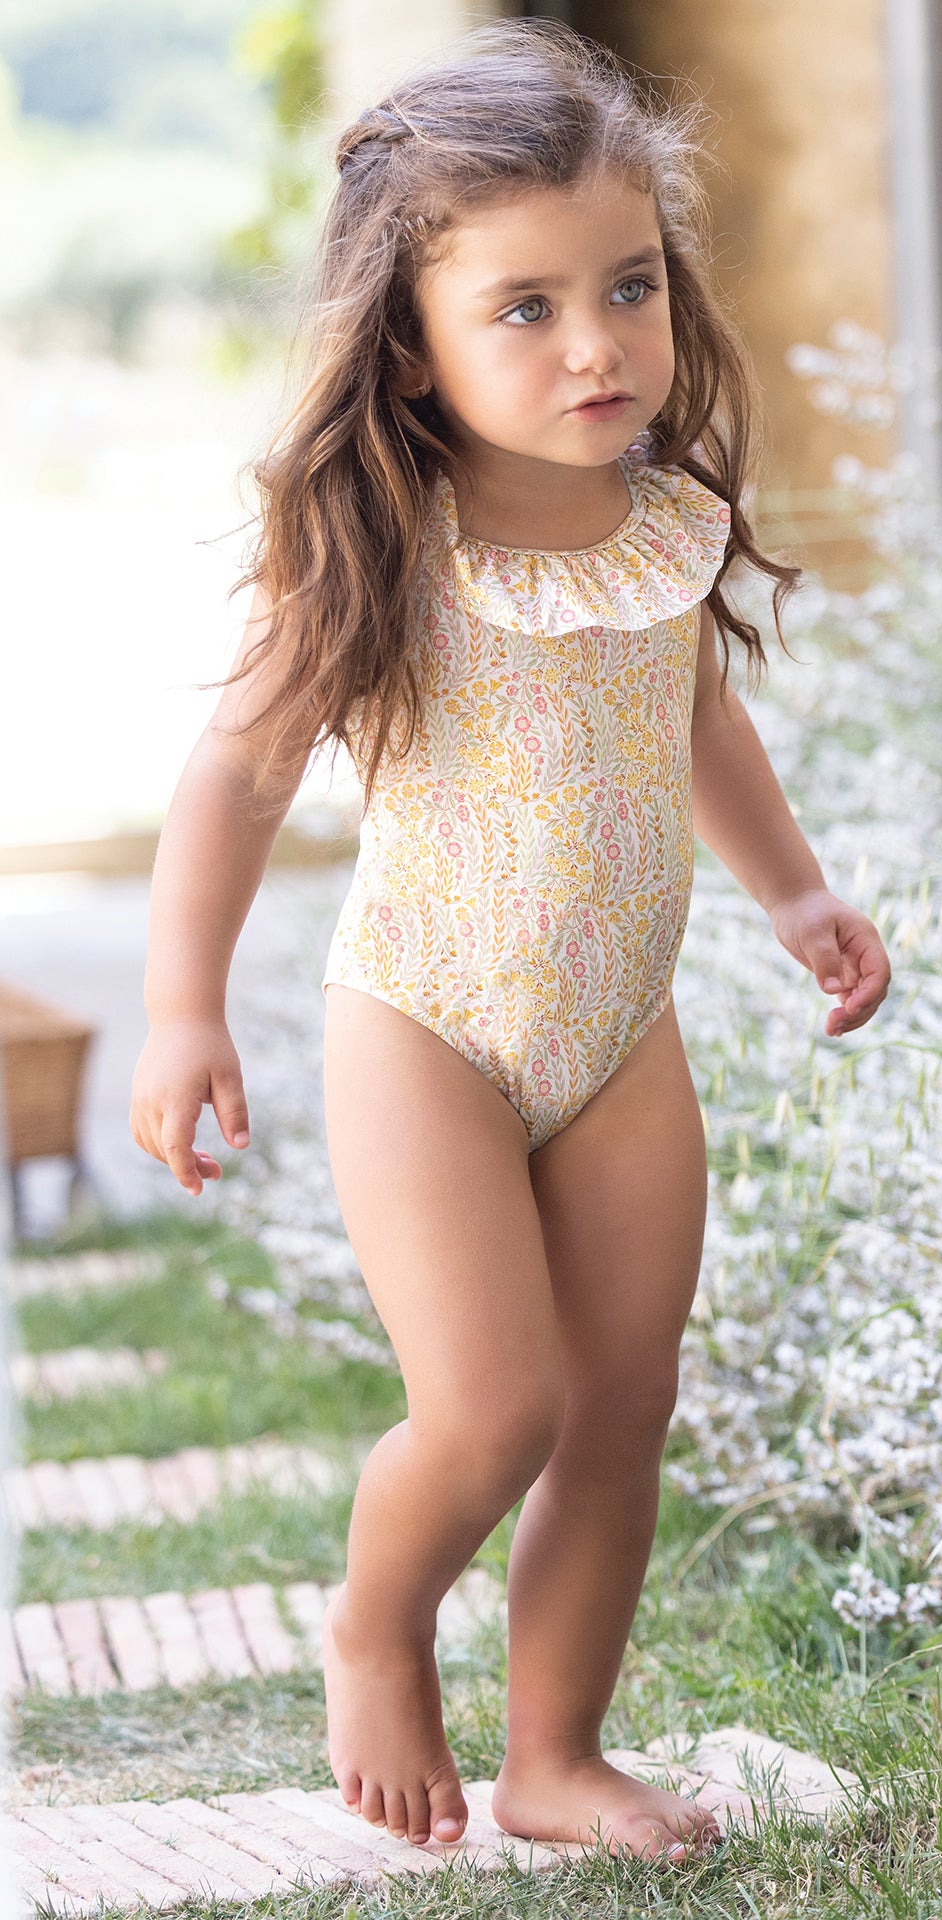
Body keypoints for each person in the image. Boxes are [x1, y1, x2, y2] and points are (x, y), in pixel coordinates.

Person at [130, 18, 890, 1868]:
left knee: (622, 1406)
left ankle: (557, 1752)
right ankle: (377, 1625)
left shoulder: (664, 525)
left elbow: (692, 716)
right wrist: (178, 1009)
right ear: (411, 338)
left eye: (628, 287)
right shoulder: (389, 543)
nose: (597, 345)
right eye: (525, 309)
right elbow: (234, 778)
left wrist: (794, 891)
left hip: (619, 1030)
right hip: (427, 1023)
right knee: (492, 1410)